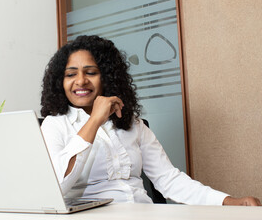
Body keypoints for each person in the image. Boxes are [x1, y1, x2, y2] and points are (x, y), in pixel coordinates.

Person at [40, 35, 261, 206]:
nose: (80, 81)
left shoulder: (131, 123)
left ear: (106, 77)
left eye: (91, 72)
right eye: (70, 74)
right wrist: (95, 120)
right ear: (60, 81)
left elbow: (168, 179)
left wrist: (229, 201)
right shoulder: (54, 125)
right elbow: (58, 185)